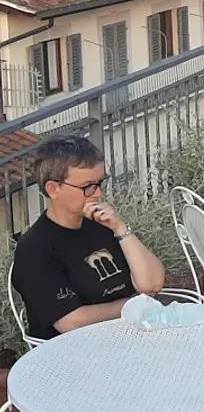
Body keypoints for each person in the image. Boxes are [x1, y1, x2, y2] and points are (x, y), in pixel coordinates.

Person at [12, 135, 166, 341]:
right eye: (88, 186)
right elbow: (70, 321)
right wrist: (135, 304)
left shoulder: (100, 224)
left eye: (100, 183)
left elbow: (152, 284)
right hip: (75, 350)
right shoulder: (35, 248)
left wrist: (120, 228)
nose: (98, 193)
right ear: (53, 189)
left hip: (128, 334)